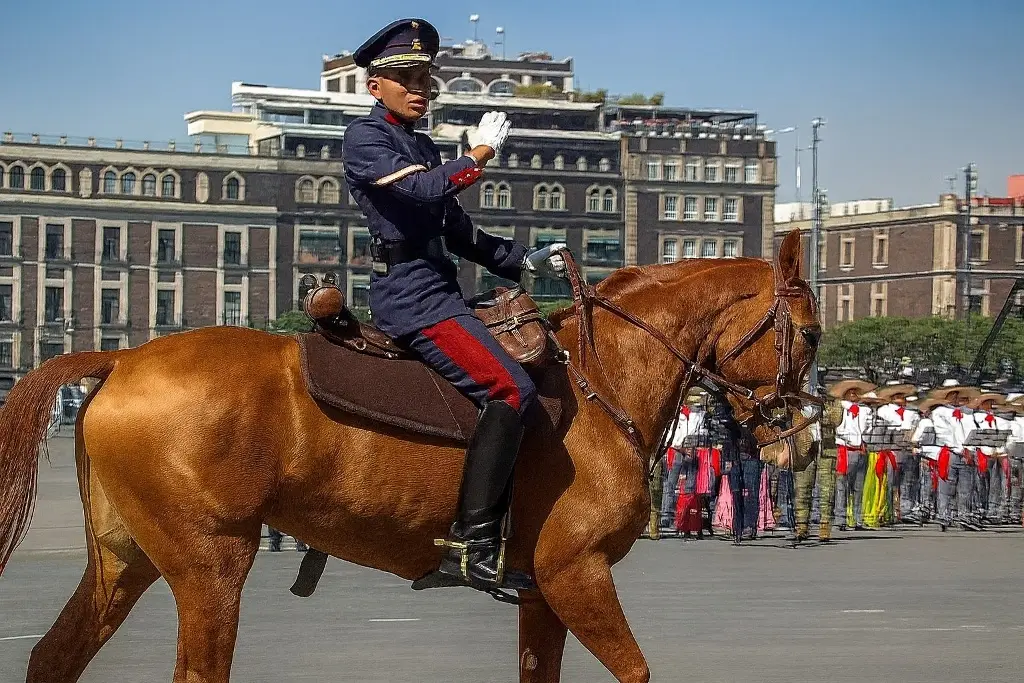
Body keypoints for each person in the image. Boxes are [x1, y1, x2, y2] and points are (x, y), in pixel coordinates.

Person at [342, 18, 568, 594]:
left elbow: (462, 234)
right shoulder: (365, 138)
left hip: (439, 290)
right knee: (510, 390)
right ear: (376, 87)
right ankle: (470, 547)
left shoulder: (421, 144)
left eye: (425, 80)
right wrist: (481, 155)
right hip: (411, 300)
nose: (419, 89)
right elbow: (421, 192)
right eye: (405, 79)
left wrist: (525, 260)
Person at [872, 384, 921, 523]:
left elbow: (916, 430)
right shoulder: (883, 411)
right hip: (892, 450)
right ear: (892, 397)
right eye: (898, 396)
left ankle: (905, 511)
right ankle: (887, 511)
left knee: (907, 482)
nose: (901, 398)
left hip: (907, 450)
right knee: (890, 482)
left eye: (903, 396)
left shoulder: (912, 413)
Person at [831, 380, 875, 530]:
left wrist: (864, 439)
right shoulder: (839, 407)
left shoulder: (865, 411)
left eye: (856, 392)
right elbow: (836, 428)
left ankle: (857, 519)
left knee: (858, 487)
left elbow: (869, 428)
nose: (853, 394)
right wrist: (849, 438)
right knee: (842, 486)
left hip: (861, 451)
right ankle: (840, 519)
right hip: (845, 450)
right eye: (850, 392)